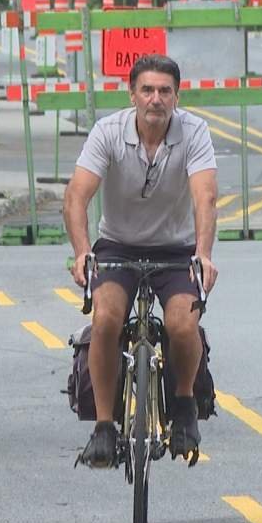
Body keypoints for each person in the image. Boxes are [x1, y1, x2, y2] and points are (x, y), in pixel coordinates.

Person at [65, 54, 220, 468]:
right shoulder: (108, 132)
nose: (156, 99)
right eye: (147, 90)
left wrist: (203, 255)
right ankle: (103, 427)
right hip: (118, 246)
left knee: (183, 323)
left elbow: (205, 197)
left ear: (176, 96)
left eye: (165, 91)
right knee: (106, 319)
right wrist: (82, 251)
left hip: (175, 248)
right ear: (131, 94)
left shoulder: (194, 132)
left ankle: (184, 406)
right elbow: (76, 196)